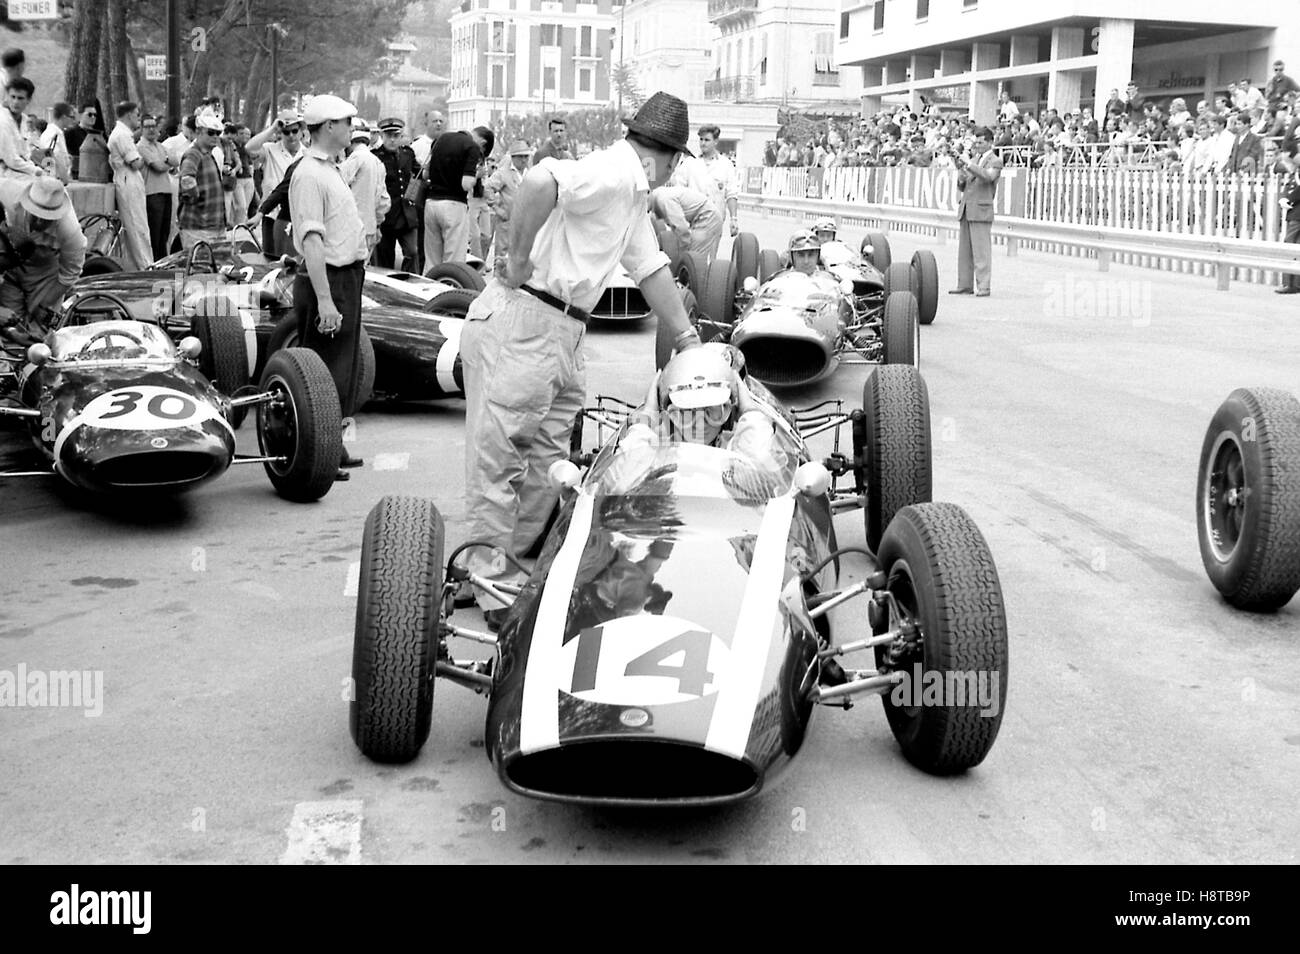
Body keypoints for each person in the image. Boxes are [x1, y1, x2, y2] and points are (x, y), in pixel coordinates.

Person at [459, 91, 701, 627]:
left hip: (562, 329)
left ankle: (507, 567)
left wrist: (686, 337)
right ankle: (486, 580)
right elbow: (542, 181)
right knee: (500, 458)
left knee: (548, 465)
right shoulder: (616, 174)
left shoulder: (631, 194)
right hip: (525, 318)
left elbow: (650, 268)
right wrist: (518, 257)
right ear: (668, 157)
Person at [287, 94, 369, 477]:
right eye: (347, 123)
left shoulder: (329, 168)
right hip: (329, 280)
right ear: (330, 126)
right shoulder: (309, 174)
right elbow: (312, 242)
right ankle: (315, 452)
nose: (352, 130)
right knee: (322, 373)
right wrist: (324, 300)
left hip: (345, 277)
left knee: (343, 369)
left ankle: (331, 446)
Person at [0, 178, 87, 346]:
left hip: (43, 274)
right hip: (6, 264)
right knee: (9, 329)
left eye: (46, 218)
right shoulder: (5, 192)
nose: (39, 223)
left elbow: (69, 275)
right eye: (36, 215)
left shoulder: (71, 233)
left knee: (38, 336)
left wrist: (43, 306)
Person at [423, 125, 493, 268]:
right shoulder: (472, 147)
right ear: (483, 145)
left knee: (432, 260)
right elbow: (466, 184)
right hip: (454, 206)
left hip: (431, 204)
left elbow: (425, 174)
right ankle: (448, 289)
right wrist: (476, 175)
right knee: (453, 261)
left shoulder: (441, 139)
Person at [950, 126, 1002, 297]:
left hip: (981, 210)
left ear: (989, 142)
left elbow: (987, 177)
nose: (977, 145)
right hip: (967, 208)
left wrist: (969, 164)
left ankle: (984, 286)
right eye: (976, 142)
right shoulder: (974, 159)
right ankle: (964, 285)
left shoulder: (995, 161)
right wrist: (960, 171)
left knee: (981, 252)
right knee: (964, 252)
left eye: (981, 142)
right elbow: (963, 185)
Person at [246, 109, 303, 256]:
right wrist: (272, 128)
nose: (291, 136)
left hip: (296, 216)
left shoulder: (307, 154)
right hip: (271, 214)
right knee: (270, 258)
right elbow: (249, 147)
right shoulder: (270, 150)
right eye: (286, 132)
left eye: (294, 131)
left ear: (301, 131)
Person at [106, 102, 152, 270]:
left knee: (138, 225)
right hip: (127, 179)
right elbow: (136, 163)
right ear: (129, 115)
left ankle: (138, 265)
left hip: (129, 178)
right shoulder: (122, 135)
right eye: (137, 115)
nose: (138, 119)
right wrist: (142, 159)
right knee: (136, 224)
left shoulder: (124, 134)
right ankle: (145, 265)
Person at [372, 117, 420, 270]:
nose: (392, 140)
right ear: (382, 136)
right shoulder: (375, 156)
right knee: (385, 258)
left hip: (406, 214)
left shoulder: (408, 154)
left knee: (412, 252)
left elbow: (418, 174)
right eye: (388, 136)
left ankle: (410, 283)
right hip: (386, 215)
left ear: (401, 136)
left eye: (396, 136)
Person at [177, 113, 227, 249]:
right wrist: (195, 199)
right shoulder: (194, 153)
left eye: (218, 133)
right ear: (198, 132)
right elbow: (187, 179)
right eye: (211, 133)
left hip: (214, 226)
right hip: (198, 228)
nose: (215, 136)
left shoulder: (208, 155)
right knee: (198, 267)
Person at [340, 120, 390, 257]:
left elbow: (337, 186)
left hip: (350, 229)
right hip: (370, 227)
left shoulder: (354, 159)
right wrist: (378, 224)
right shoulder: (378, 162)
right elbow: (384, 201)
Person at [482, 139, 529, 275]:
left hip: (525, 221)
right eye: (520, 156)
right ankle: (498, 283)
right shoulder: (503, 173)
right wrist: (497, 209)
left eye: (526, 156)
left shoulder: (530, 173)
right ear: (513, 157)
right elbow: (488, 188)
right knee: (502, 255)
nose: (524, 159)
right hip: (507, 220)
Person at [136, 114, 176, 262]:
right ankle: (155, 262)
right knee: (155, 233)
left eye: (153, 126)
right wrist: (167, 162)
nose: (151, 129)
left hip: (166, 192)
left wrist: (166, 161)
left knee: (165, 232)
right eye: (147, 127)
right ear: (141, 129)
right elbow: (158, 166)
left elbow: (176, 160)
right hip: (152, 194)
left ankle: (164, 261)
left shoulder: (161, 146)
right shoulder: (141, 147)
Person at [649, 183, 722, 261]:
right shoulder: (658, 194)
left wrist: (681, 254)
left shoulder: (663, 200)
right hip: (702, 216)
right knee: (691, 258)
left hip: (707, 216)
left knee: (693, 259)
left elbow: (681, 229)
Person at [0, 77, 42, 182]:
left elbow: (25, 153)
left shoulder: (24, 120)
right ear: (7, 96)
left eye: (20, 98)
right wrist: (35, 170)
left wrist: (37, 169)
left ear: (28, 100)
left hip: (17, 170)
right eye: (12, 97)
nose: (15, 102)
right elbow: (11, 159)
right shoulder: (2, 120)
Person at [1277, 156, 1300, 294]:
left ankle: (1288, 283)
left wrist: (1288, 200)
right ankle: (1295, 283)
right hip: (1295, 215)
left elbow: (1296, 192)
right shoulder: (1294, 176)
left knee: (1289, 246)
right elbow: (1287, 188)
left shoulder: (1297, 176)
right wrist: (1283, 198)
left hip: (1297, 216)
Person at [40, 102, 73, 182]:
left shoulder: (56, 133)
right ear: (64, 117)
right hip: (53, 179)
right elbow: (52, 158)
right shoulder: (54, 134)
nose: (72, 120)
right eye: (71, 117)